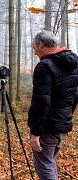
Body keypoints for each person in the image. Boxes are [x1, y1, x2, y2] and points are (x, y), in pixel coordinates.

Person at [28, 30, 78, 180]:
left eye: (35, 46)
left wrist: (35, 132)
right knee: (49, 162)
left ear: (42, 44)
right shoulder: (71, 64)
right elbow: (74, 96)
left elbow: (41, 101)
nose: (34, 51)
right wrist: (66, 116)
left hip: (49, 126)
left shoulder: (45, 66)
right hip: (62, 123)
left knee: (44, 166)